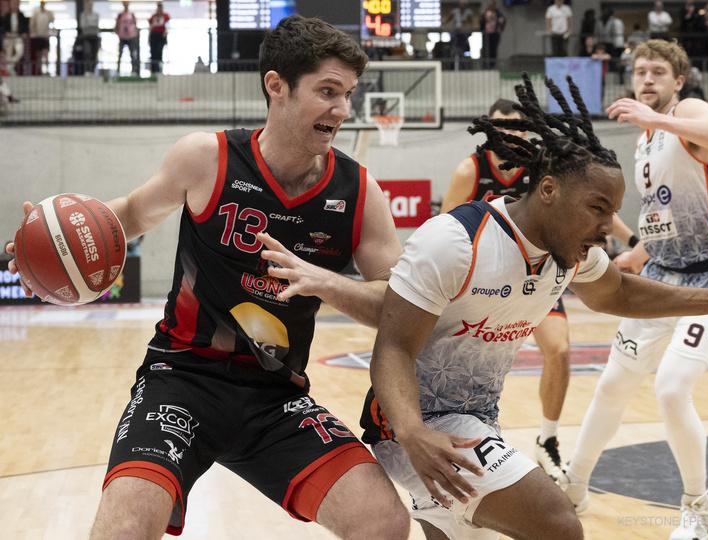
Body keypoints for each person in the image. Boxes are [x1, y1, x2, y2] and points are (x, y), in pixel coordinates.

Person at [5, 15, 410, 539]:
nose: (342, 110)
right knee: (124, 528)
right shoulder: (208, 158)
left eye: (349, 94)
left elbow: (400, 308)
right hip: (182, 379)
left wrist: (328, 283)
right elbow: (129, 213)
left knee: (383, 521)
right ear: (276, 86)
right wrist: (54, 241)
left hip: (276, 396)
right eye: (328, 92)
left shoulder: (359, 192)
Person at [358, 73, 708, 540]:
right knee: (560, 524)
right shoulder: (454, 241)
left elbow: (620, 293)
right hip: (416, 425)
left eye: (611, 211)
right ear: (548, 191)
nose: (607, 226)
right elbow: (394, 346)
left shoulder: (572, 252)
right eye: (598, 208)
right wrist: (412, 433)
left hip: (475, 422)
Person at [561, 39, 708, 540]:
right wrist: (636, 255)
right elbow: (666, 218)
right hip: (662, 277)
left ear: (677, 81)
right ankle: (575, 487)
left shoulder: (686, 114)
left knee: (671, 389)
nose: (646, 80)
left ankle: (697, 507)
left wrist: (666, 121)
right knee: (612, 385)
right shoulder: (645, 140)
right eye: (639, 72)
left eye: (656, 73)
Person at [440, 98, 574, 479]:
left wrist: (628, 241)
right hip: (483, 285)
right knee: (467, 368)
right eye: (503, 125)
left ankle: (547, 441)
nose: (511, 132)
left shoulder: (542, 169)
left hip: (535, 277)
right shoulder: (470, 169)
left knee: (561, 350)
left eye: (518, 125)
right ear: (489, 129)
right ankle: (456, 436)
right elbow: (445, 231)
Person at [28, 0, 53, 76]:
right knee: (38, 55)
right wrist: (34, 33)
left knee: (46, 54)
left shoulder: (48, 13)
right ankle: (38, 70)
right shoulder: (36, 13)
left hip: (45, 37)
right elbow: (32, 24)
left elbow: (52, 20)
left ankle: (47, 69)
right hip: (37, 37)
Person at [115, 0, 139, 76]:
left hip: (131, 37)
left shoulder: (132, 14)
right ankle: (118, 71)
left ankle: (134, 71)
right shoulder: (120, 15)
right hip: (122, 37)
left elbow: (135, 25)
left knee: (132, 54)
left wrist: (135, 34)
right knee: (120, 54)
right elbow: (116, 26)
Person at [78, 0, 101, 75]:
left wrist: (88, 23)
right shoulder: (83, 15)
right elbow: (83, 26)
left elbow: (96, 26)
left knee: (94, 54)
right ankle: (87, 70)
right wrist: (91, 24)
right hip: (86, 37)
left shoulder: (96, 14)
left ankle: (93, 71)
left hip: (95, 37)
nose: (89, 6)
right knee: (87, 53)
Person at [148, 1, 170, 74]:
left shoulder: (165, 16)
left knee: (159, 52)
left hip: (161, 36)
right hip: (154, 36)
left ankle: (159, 70)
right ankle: (153, 70)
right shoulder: (154, 16)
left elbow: (167, 26)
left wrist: (165, 33)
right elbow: (151, 27)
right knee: (153, 53)